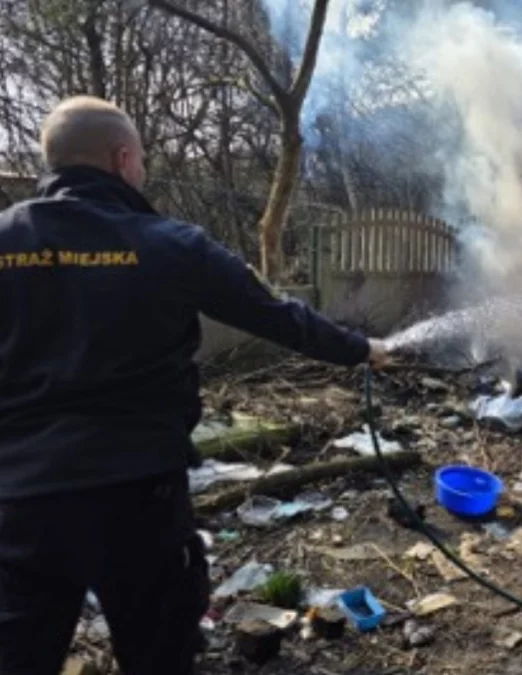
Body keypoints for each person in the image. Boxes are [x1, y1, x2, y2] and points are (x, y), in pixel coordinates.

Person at [0, 96, 390, 675]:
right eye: (141, 161)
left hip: (20, 500)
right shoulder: (172, 244)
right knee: (160, 652)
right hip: (138, 498)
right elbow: (279, 316)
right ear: (122, 157)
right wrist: (362, 349)